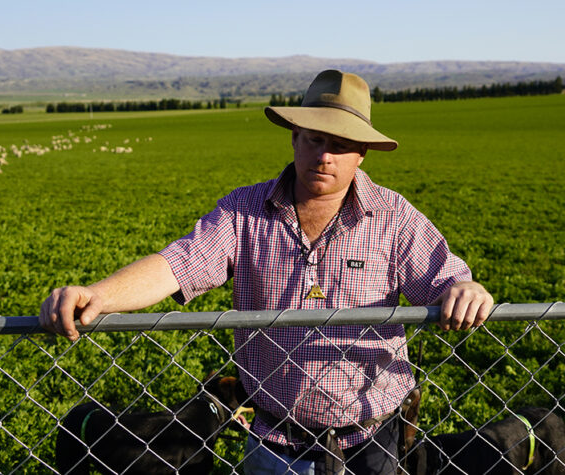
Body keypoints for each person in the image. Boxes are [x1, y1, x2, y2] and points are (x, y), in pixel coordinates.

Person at [40, 69, 493, 474]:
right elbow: (176, 264)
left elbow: (445, 280)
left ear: (362, 155)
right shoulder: (244, 211)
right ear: (294, 136)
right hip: (275, 443)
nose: (325, 156)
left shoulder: (394, 218)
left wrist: (466, 289)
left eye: (340, 145)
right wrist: (98, 295)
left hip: (373, 440)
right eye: (315, 138)